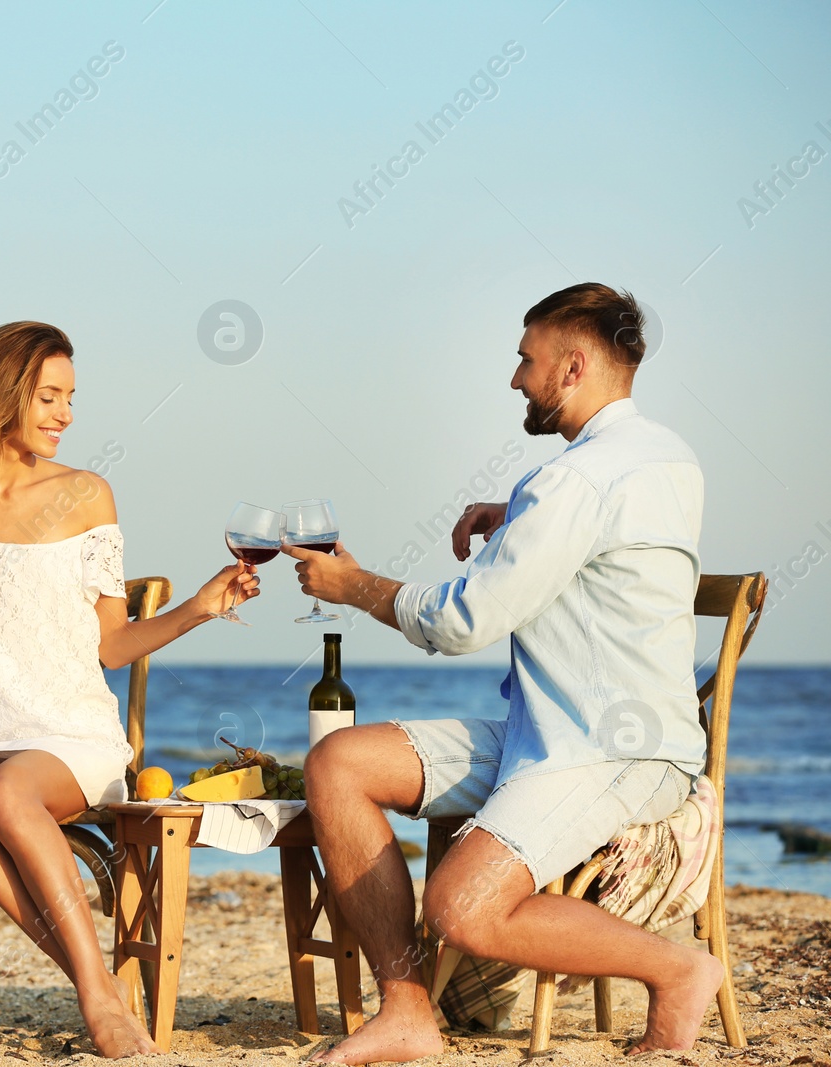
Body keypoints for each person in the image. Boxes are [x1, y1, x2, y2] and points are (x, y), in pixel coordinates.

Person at [284, 283, 719, 1063]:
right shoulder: (664, 455)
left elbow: (464, 621)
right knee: (339, 763)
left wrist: (353, 587)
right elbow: (599, 537)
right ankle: (409, 1012)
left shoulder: (575, 482)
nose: (515, 378)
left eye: (527, 360)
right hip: (551, 735)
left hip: (609, 751)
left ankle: (679, 968)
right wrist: (517, 513)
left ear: (574, 365)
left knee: (461, 905)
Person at [0, 321, 258, 1058]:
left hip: (66, 736)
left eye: (70, 397)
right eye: (49, 396)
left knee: (5, 794)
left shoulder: (86, 494)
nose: (66, 414)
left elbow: (112, 645)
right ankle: (102, 987)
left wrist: (202, 607)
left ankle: (93, 998)